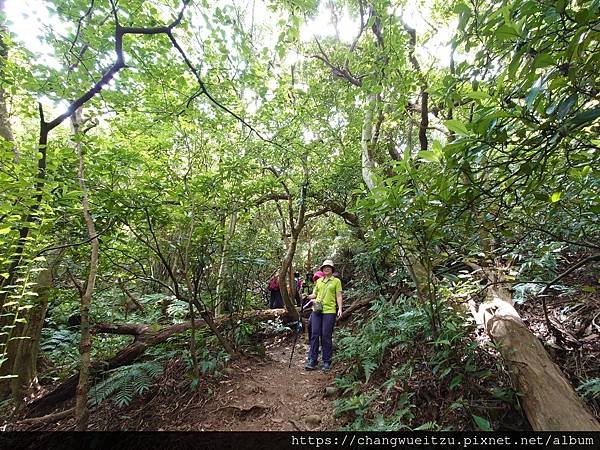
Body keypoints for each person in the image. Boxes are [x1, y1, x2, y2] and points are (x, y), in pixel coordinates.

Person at [304, 260, 343, 372]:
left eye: (329, 267)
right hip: (317, 310)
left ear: (332, 269)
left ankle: (326, 361)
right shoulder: (319, 281)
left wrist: (340, 308)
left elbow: (339, 295)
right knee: (315, 334)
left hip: (329, 310)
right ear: (322, 269)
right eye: (325, 267)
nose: (327, 268)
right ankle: (312, 359)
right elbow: (315, 294)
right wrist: (307, 296)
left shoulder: (336, 281)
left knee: (326, 335)